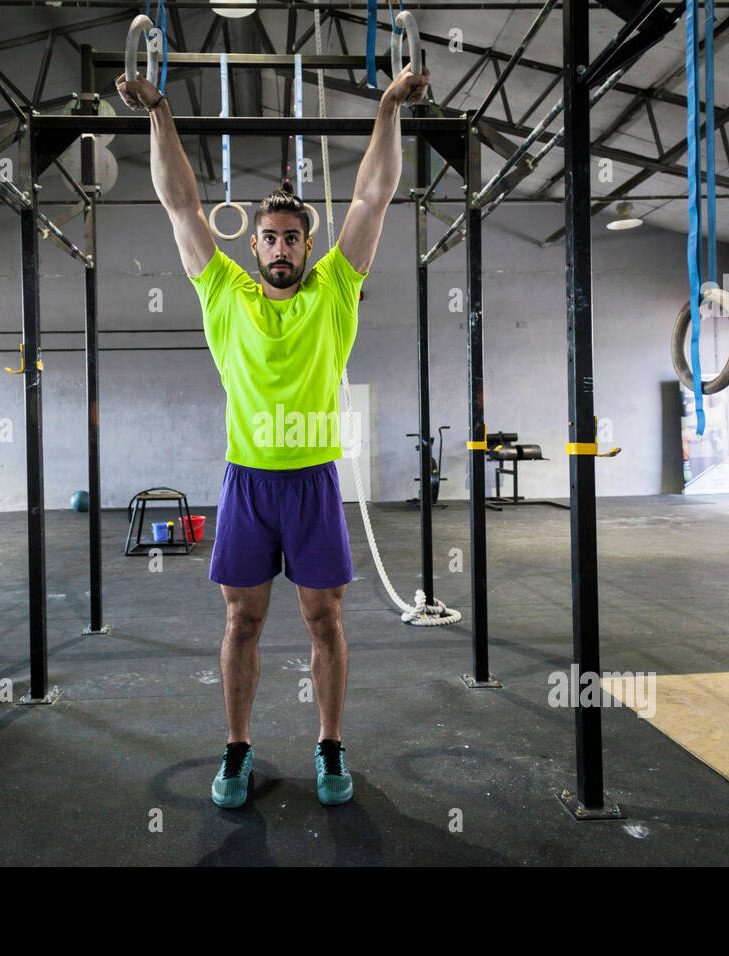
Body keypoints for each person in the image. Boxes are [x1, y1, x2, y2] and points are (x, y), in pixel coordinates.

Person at [117, 61, 431, 809]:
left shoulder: (336, 289)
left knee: (324, 619)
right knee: (242, 618)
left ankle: (329, 746)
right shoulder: (222, 292)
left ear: (307, 245)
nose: (282, 248)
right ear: (252, 247)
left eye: (293, 238)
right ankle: (236, 750)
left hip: (315, 481)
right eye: (270, 239)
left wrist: (389, 106)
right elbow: (180, 202)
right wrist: (159, 110)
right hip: (248, 483)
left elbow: (374, 194)